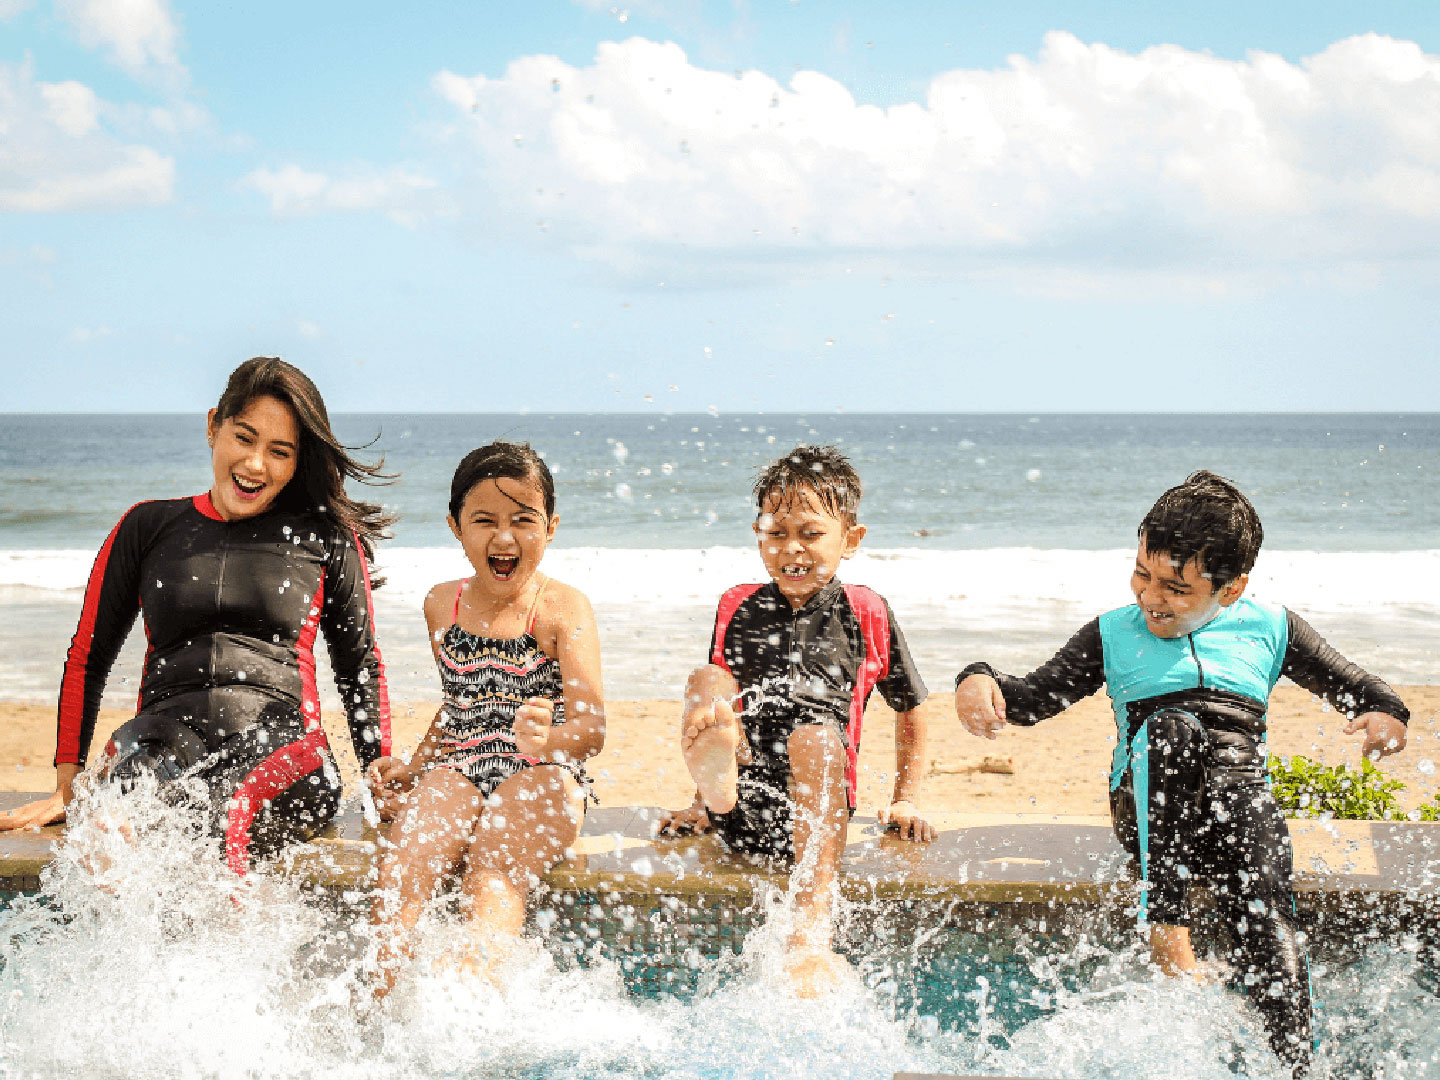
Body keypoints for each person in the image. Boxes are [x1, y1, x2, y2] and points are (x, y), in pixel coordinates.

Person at [953, 470, 1410, 1077]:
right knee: (1174, 730)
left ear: (1231, 588)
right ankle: (1167, 927)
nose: (1151, 597)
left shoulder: (1271, 626)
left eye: (1176, 587)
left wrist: (1386, 714)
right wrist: (979, 676)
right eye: (1142, 574)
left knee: (1266, 905)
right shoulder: (1113, 633)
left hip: (1238, 806)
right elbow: (1033, 698)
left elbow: (1356, 685)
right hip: (1147, 805)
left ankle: (1297, 1061)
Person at [0, 357, 394, 875]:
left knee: (219, 820)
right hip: (161, 739)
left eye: (280, 452)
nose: (256, 464)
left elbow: (359, 666)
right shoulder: (146, 527)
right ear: (214, 426)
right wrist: (67, 786)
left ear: (297, 463)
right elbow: (87, 658)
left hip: (283, 747)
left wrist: (380, 779)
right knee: (111, 820)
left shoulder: (324, 540)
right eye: (244, 438)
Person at [660, 444, 933, 995]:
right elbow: (719, 712)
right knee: (707, 684)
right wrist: (699, 805)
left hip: (817, 814)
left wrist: (906, 796)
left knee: (812, 736)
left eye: (810, 534)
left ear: (850, 540)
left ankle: (811, 927)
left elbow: (911, 708)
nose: (791, 549)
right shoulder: (736, 603)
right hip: (745, 805)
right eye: (776, 533)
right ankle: (713, 795)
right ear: (757, 533)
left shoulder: (865, 609)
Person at [366, 441, 604, 994]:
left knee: (492, 873)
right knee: (406, 865)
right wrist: (415, 765)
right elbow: (458, 705)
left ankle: (475, 1008)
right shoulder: (440, 604)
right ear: (455, 526)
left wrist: (549, 741)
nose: (504, 537)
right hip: (459, 764)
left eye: (523, 520)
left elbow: (592, 731)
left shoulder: (563, 608)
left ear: (550, 528)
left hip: (544, 774)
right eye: (484, 521)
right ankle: (377, 1010)